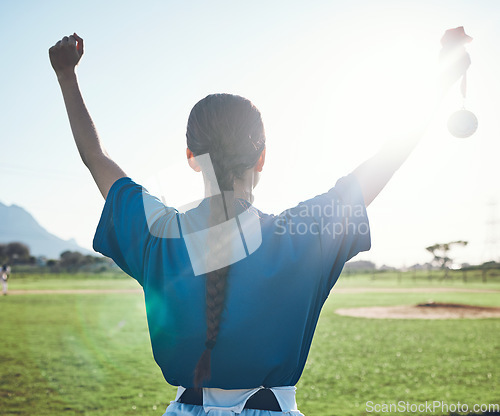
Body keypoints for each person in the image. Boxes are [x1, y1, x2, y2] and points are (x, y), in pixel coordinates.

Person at [49, 30, 469, 415]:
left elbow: (97, 161)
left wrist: (67, 76)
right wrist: (443, 75)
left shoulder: (158, 235)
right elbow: (385, 160)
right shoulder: (303, 235)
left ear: (192, 157)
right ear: (262, 157)